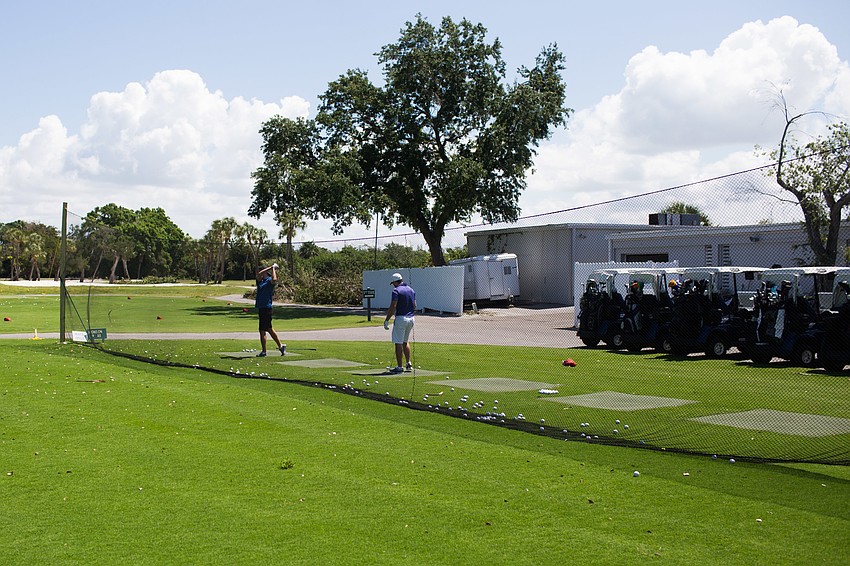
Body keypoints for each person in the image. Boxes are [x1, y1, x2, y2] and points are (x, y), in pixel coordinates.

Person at [383, 272, 416, 374]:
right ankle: (408, 364)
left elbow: (393, 306)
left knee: (398, 343)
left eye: (393, 283)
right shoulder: (411, 290)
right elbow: (414, 305)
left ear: (395, 282)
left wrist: (387, 320)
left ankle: (399, 367)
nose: (392, 285)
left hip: (401, 318)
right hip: (411, 319)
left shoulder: (396, 291)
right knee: (405, 341)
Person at [255, 263, 286, 357]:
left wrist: (273, 269)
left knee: (263, 330)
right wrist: (271, 267)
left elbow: (274, 279)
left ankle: (265, 351)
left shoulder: (269, 281)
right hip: (261, 307)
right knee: (268, 329)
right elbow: (259, 274)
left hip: (267, 307)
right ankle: (280, 346)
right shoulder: (260, 281)